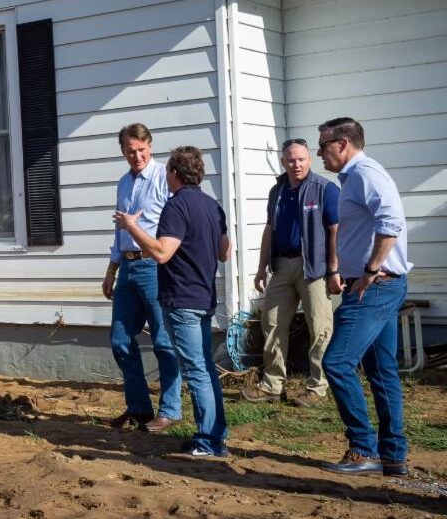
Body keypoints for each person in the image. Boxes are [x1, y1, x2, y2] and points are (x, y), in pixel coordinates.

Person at [116, 146, 232, 457]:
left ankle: (209, 441)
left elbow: (162, 252)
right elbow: (225, 252)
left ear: (174, 174)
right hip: (205, 296)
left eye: (168, 171)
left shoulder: (176, 206)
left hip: (182, 299)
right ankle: (216, 434)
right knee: (205, 368)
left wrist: (132, 227)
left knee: (197, 371)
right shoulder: (212, 206)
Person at [315, 118, 411, 477]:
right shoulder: (355, 177)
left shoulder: (365, 174)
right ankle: (393, 457)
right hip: (378, 283)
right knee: (381, 372)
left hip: (374, 287)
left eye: (323, 145)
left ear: (342, 144)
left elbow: (392, 222)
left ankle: (363, 449)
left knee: (337, 363)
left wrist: (369, 271)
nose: (319, 153)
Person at [242, 139, 341, 407]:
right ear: (283, 162)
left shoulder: (325, 189)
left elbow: (335, 230)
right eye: (290, 160)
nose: (296, 164)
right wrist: (261, 267)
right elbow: (269, 229)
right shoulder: (277, 191)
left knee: (319, 326)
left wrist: (334, 270)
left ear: (309, 159)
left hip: (315, 269)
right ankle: (273, 385)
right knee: (271, 323)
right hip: (282, 266)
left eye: (301, 159)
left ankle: (318, 387)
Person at [102, 124, 181, 432]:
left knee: (164, 341)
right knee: (120, 340)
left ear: (150, 146)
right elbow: (120, 230)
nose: (136, 156)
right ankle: (138, 409)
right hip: (128, 268)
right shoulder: (124, 183)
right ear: (123, 151)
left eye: (141, 150)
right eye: (130, 151)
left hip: (155, 267)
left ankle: (170, 410)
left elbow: (175, 224)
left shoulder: (164, 177)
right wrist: (112, 269)